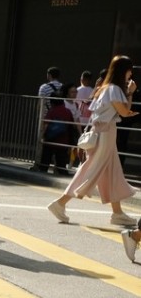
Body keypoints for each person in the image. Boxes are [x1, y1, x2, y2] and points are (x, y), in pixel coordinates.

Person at [46, 55, 139, 228]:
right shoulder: (115, 89)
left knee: (112, 172)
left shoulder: (104, 88)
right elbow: (125, 112)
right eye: (129, 70)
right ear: (123, 71)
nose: (130, 74)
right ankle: (60, 203)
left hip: (102, 133)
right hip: (106, 134)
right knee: (90, 170)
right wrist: (131, 92)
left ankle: (117, 213)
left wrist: (128, 94)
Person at [38, 93, 76, 175]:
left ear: (52, 102)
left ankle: (42, 170)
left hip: (50, 140)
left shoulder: (52, 111)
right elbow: (71, 125)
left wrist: (42, 136)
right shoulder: (67, 111)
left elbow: (46, 125)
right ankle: (63, 172)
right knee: (61, 162)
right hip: (63, 141)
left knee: (46, 159)